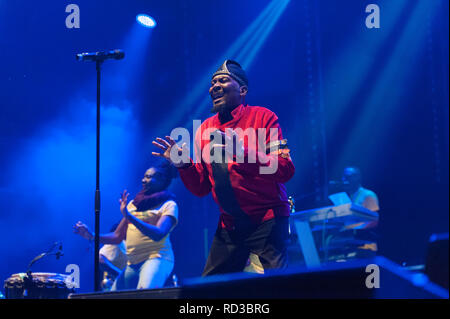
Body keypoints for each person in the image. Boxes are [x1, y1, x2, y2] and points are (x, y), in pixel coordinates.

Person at [152, 60, 295, 276]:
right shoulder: (205, 129)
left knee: (277, 286)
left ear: (243, 90)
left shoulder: (263, 117)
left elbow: (284, 169)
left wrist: (242, 152)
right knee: (210, 289)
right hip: (230, 224)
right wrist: (185, 165)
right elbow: (201, 187)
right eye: (212, 82)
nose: (215, 86)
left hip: (267, 219)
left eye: (223, 80)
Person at [74, 160, 179, 290]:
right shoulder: (133, 205)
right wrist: (91, 235)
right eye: (144, 176)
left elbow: (159, 233)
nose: (144, 180)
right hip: (132, 264)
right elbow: (117, 236)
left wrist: (130, 217)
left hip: (157, 258)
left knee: (145, 294)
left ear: (162, 181)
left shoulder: (169, 205)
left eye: (149, 177)